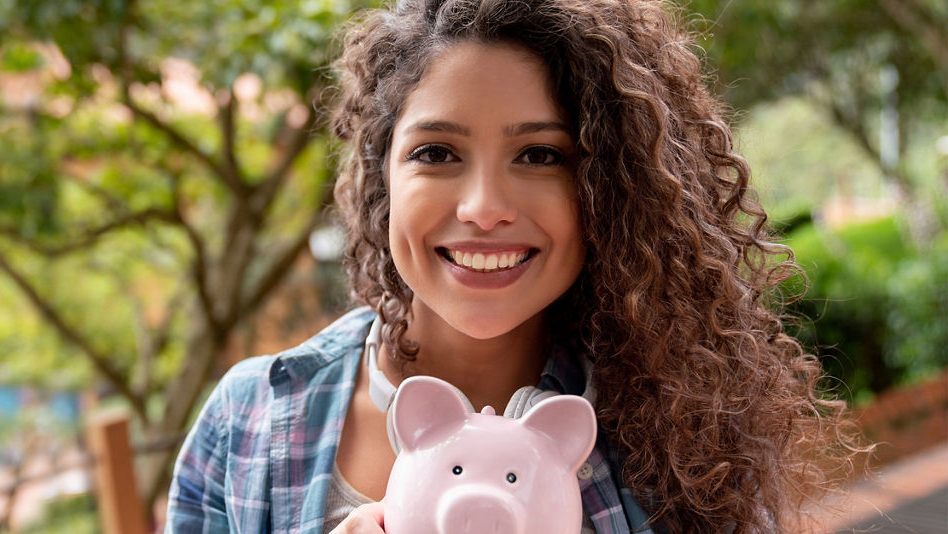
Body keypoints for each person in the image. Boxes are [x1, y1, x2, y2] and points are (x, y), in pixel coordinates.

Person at [166, 0, 859, 532]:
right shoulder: (250, 420)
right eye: (436, 152)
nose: (485, 207)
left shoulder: (682, 435)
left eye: (540, 155)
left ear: (609, 187)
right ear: (383, 176)